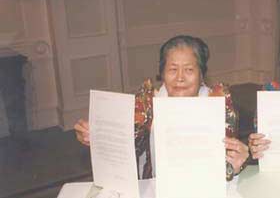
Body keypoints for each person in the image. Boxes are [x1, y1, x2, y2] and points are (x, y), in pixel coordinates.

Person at [74, 35, 249, 181]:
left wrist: (236, 163)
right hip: (156, 189)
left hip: (204, 187)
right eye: (172, 69)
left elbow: (228, 163)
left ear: (201, 74)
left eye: (189, 70)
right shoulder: (148, 102)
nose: (180, 78)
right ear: (162, 73)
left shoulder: (217, 104)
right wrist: (96, 136)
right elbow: (128, 145)